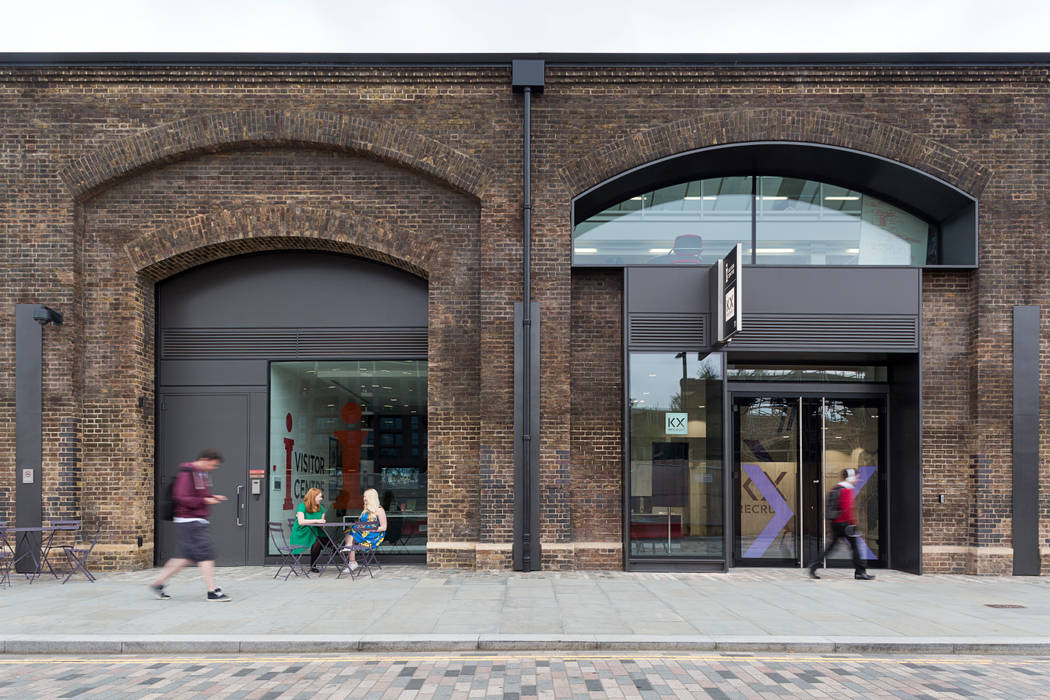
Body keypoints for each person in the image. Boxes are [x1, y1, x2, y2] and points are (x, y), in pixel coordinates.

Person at [150, 449, 232, 601]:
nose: (213, 469)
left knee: (184, 557)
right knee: (206, 554)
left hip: (194, 520)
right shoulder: (187, 473)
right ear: (205, 459)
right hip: (190, 520)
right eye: (213, 465)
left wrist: (211, 497)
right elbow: (181, 497)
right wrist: (205, 501)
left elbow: (197, 495)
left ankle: (158, 583)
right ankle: (212, 591)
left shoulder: (201, 474)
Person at [809, 468, 875, 581]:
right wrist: (853, 523)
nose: (857, 479)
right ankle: (860, 572)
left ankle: (814, 565)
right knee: (855, 548)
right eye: (856, 477)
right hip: (845, 524)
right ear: (851, 477)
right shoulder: (846, 489)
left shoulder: (837, 488)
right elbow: (847, 508)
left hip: (836, 523)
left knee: (831, 547)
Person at [340, 487, 386, 573]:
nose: (364, 498)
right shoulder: (366, 510)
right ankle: (352, 560)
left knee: (353, 530)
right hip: (364, 533)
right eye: (364, 496)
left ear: (372, 498)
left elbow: (384, 527)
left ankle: (350, 552)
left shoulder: (380, 510)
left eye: (366, 496)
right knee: (349, 530)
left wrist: (372, 530)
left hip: (374, 536)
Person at [290, 488, 327, 573]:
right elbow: (301, 522)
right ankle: (314, 565)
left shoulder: (321, 508)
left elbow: (322, 526)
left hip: (315, 532)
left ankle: (336, 550)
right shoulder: (302, 506)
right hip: (302, 533)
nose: (321, 499)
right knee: (318, 541)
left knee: (323, 540)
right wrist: (317, 521)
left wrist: (322, 523)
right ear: (313, 497)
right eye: (320, 497)